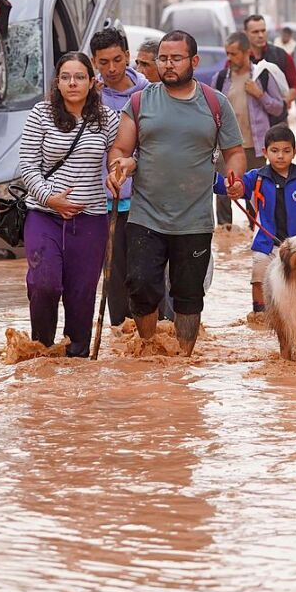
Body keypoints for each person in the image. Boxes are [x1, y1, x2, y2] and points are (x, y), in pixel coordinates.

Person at [106, 30, 247, 356]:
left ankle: (183, 361)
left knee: (188, 296)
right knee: (140, 287)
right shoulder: (141, 102)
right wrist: (120, 166)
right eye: (163, 59)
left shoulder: (215, 103)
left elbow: (235, 152)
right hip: (146, 216)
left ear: (194, 61)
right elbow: (121, 149)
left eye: (176, 58)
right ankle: (149, 349)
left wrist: (234, 177)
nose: (168, 65)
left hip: (194, 219)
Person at [18, 52, 120, 357]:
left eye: (79, 77)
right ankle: (43, 352)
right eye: (65, 77)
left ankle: (76, 363)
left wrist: (117, 172)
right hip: (44, 215)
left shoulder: (107, 118)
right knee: (44, 283)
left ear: (92, 82)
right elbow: (27, 165)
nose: (72, 83)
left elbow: (120, 154)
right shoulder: (41, 113)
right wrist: (50, 198)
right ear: (57, 82)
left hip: (90, 220)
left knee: (82, 295)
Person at [212, 124, 296, 314]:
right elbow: (229, 187)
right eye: (275, 151)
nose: (280, 155)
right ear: (265, 152)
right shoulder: (256, 178)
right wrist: (208, 175)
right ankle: (260, 315)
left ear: (295, 152)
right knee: (259, 278)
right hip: (266, 243)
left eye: (286, 151)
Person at [90, 27, 148, 329]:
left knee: (145, 275)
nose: (111, 69)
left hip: (144, 201)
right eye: (103, 62)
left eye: (116, 60)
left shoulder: (148, 93)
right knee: (113, 277)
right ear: (94, 62)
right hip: (104, 202)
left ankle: (149, 332)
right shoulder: (90, 97)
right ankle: (121, 335)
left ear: (127, 57)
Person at [211, 31, 284, 228]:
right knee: (223, 193)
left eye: (234, 54)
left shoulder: (263, 77)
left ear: (247, 53)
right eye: (227, 53)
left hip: (255, 146)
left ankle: (256, 232)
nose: (229, 58)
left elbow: (278, 107)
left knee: (255, 193)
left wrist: (260, 95)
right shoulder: (219, 79)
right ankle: (225, 234)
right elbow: (210, 112)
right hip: (226, 147)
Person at [244, 15, 296, 125]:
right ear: (246, 33)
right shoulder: (239, 59)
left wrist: (283, 103)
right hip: (249, 122)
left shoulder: (281, 56)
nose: (260, 35)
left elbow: (295, 86)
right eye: (255, 32)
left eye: (263, 31)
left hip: (277, 121)